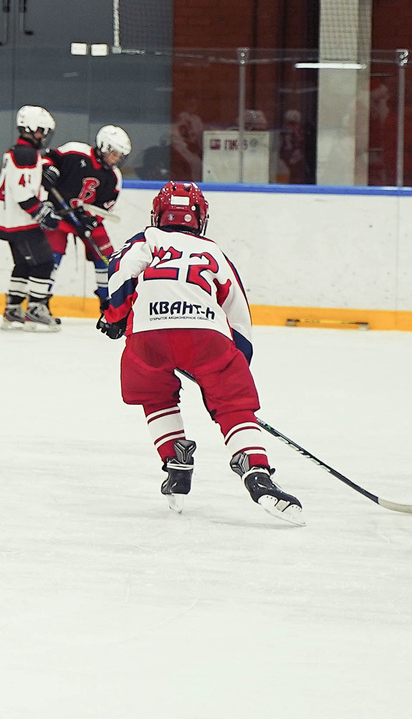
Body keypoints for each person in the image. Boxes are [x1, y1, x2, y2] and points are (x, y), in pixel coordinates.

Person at [96, 181, 300, 522]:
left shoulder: (147, 238)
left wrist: (114, 316)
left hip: (148, 334)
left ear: (158, 215)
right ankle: (256, 471)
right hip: (206, 334)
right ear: (200, 218)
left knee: (155, 396)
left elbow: (121, 270)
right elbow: (237, 311)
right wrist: (231, 370)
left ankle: (175, 460)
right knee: (233, 404)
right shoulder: (213, 251)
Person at [45, 125, 129, 302]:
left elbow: (104, 207)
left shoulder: (114, 177)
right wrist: (48, 170)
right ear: (103, 146)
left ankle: (108, 303)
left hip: (86, 219)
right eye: (114, 154)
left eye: (119, 156)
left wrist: (91, 221)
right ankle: (40, 300)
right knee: (51, 257)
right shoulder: (75, 151)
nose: (116, 159)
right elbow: (48, 158)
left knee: (107, 258)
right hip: (59, 215)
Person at [0, 105, 60, 331]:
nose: (44, 136)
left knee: (23, 264)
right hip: (22, 221)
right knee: (44, 263)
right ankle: (36, 309)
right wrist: (42, 214)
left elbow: (23, 185)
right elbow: (22, 193)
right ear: (32, 128)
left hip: (10, 219)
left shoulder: (18, 151)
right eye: (42, 131)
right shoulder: (26, 154)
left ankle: (13, 308)